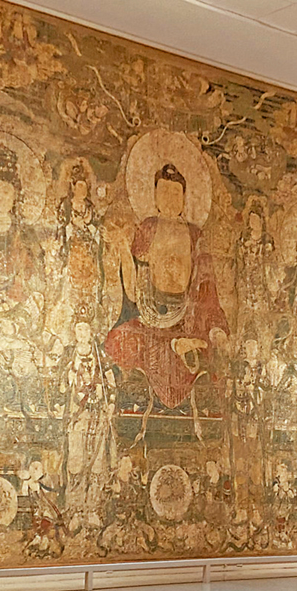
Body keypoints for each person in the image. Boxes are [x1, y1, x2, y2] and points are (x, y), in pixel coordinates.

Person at [104, 163, 227, 413]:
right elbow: (133, 290)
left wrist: (214, 326)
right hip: (151, 317)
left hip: (187, 318)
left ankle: (186, 349)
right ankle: (167, 360)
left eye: (175, 193)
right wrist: (124, 251)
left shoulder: (194, 234)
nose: (170, 199)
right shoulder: (148, 227)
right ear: (155, 196)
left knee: (210, 349)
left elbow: (206, 286)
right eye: (164, 192)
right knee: (120, 340)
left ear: (184, 197)